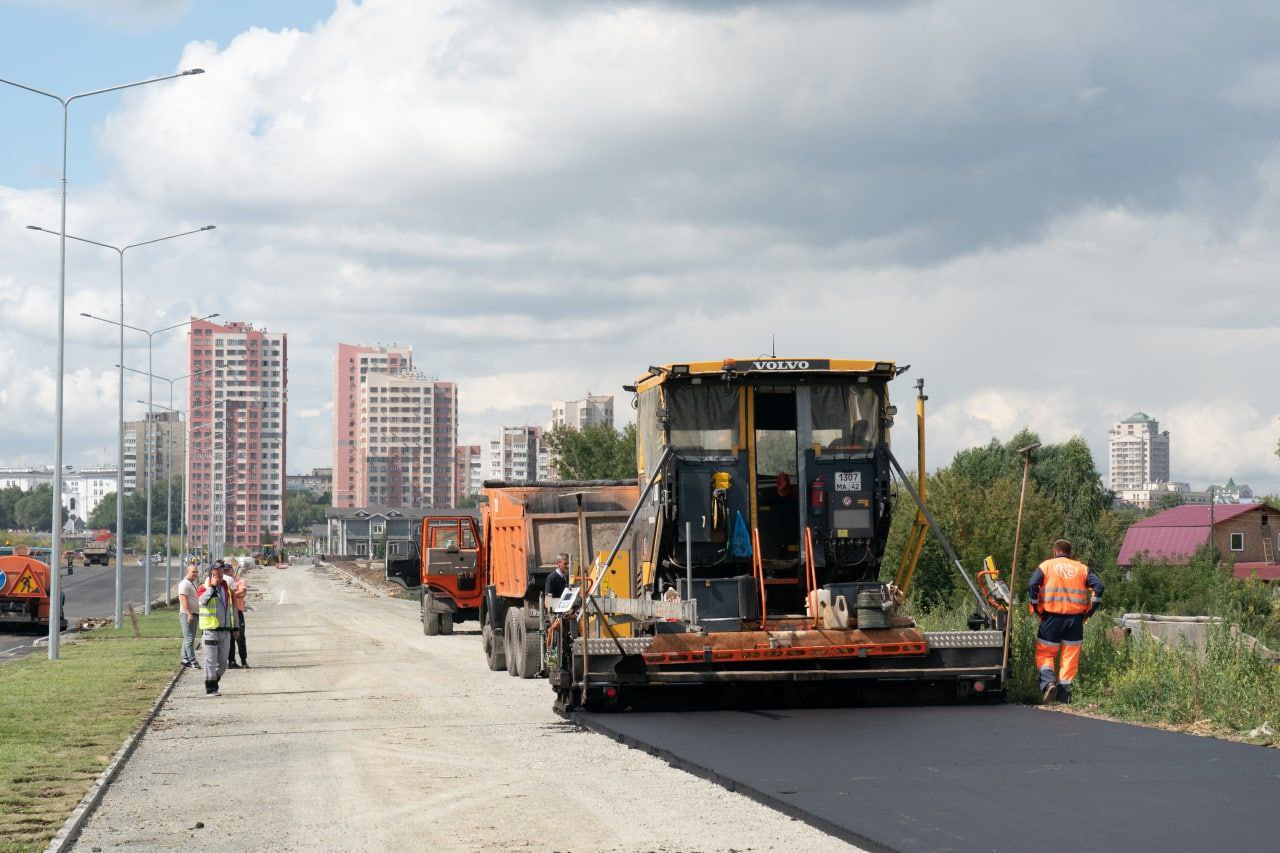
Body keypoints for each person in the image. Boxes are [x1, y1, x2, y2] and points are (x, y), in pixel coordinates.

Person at [1027, 539, 1104, 704]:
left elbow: (1032, 584)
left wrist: (1035, 606)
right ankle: (1064, 694)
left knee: (1046, 653)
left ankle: (1048, 682)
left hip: (1051, 617)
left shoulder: (1046, 566)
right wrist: (1090, 611)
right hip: (1075, 620)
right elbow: (1099, 587)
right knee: (1070, 656)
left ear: (1055, 551)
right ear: (1070, 553)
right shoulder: (1082, 568)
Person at [197, 563, 238, 697]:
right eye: (216, 574)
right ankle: (211, 688)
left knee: (223, 663)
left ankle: (214, 679)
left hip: (225, 630)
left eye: (221, 574)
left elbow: (233, 608)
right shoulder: (203, 588)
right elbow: (202, 601)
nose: (219, 576)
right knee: (210, 660)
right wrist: (212, 587)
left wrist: (235, 626)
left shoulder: (226, 588)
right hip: (210, 630)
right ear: (211, 574)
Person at [177, 564, 200, 669]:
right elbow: (183, 598)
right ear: (188, 572)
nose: (195, 574)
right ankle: (192, 660)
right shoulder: (184, 584)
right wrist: (189, 613)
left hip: (194, 613)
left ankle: (185, 658)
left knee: (188, 637)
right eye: (193, 572)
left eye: (196, 572)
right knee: (190, 638)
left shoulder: (191, 583)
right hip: (187, 614)